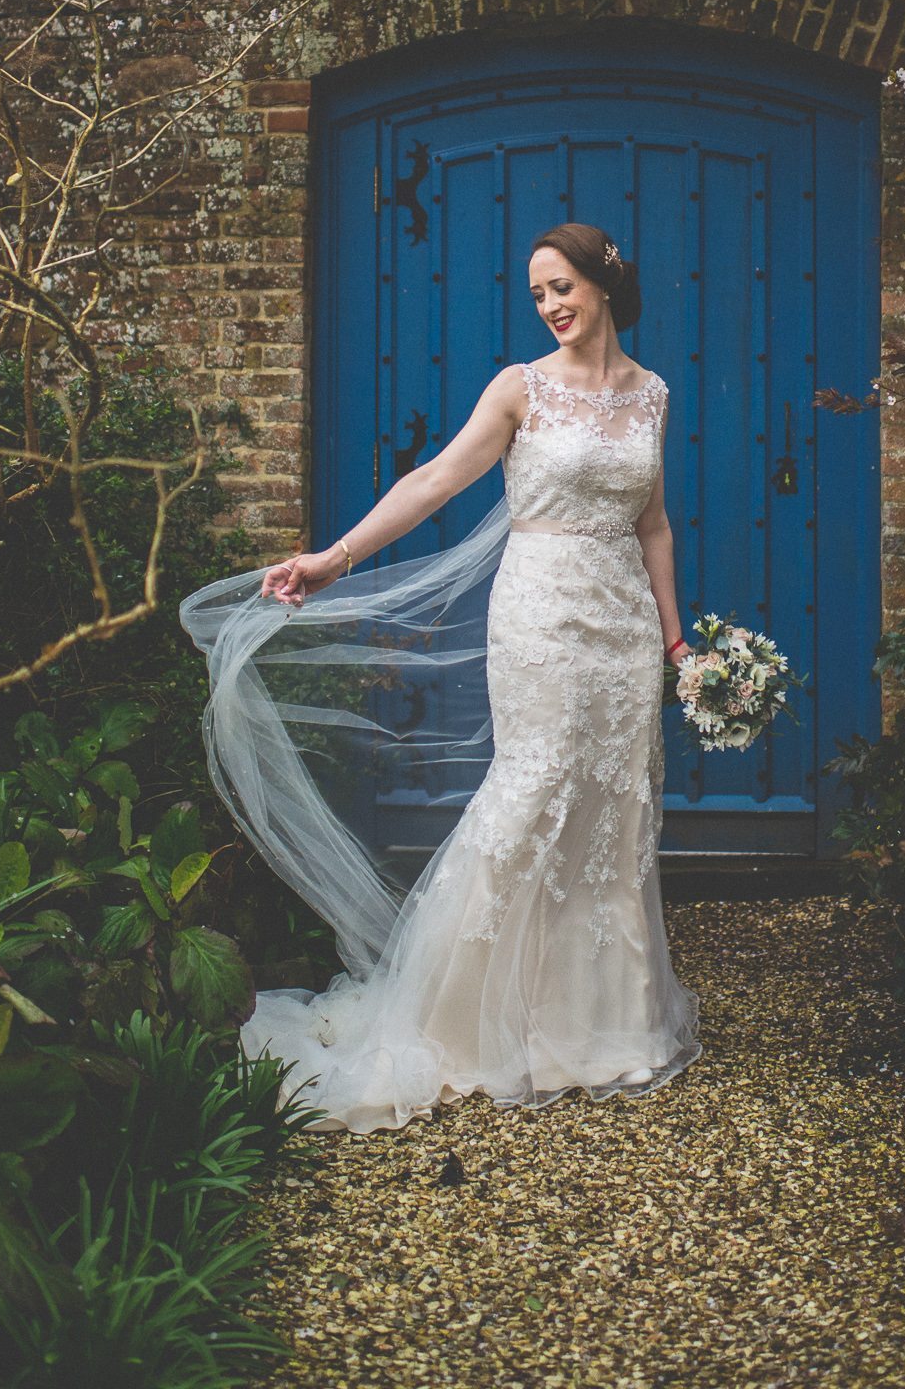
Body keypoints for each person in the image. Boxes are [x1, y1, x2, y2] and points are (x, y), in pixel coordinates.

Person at [180, 221, 702, 1134]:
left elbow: (653, 523)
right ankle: (457, 1021)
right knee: (533, 788)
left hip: (622, 625)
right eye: (537, 294)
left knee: (615, 805)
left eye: (561, 288)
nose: (549, 307)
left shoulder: (650, 394)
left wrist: (673, 641)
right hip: (540, 612)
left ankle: (602, 1024)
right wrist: (333, 559)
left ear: (605, 284)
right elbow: (433, 482)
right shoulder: (518, 388)